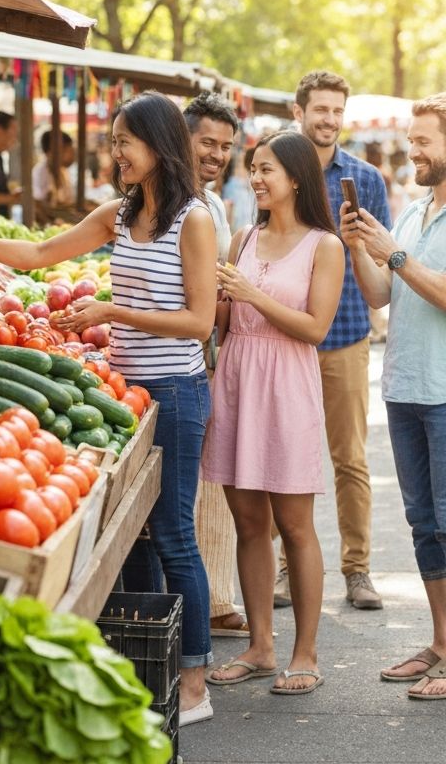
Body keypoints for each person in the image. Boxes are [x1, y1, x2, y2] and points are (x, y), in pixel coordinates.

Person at [0, 91, 217, 725]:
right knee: (140, 536)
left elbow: (200, 321)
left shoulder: (193, 220)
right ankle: (156, 669)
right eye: (113, 141)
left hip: (175, 392)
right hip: (133, 395)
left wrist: (112, 311)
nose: (113, 152)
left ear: (158, 145)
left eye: (124, 142)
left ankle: (195, 682)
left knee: (174, 535)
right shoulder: (118, 214)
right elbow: (42, 255)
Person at [203, 130, 345, 695]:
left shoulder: (324, 246)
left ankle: (304, 652)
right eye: (253, 169)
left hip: (287, 387)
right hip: (237, 381)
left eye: (266, 170)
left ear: (295, 178)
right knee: (248, 522)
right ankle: (261, 647)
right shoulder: (242, 238)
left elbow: (316, 329)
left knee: (294, 525)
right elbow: (222, 319)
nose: (256, 178)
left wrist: (252, 295)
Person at [273, 70, 391, 611]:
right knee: (283, 455)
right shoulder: (277, 171)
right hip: (288, 338)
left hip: (344, 334)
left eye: (337, 111)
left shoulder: (365, 180)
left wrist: (359, 243)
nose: (329, 120)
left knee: (349, 460)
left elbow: (384, 259)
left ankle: (358, 569)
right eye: (320, 109)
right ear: (300, 112)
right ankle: (282, 569)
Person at [342, 93, 446, 699]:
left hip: (442, 393)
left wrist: (396, 254)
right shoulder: (411, 212)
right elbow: (381, 294)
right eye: (413, 140)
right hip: (404, 389)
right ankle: (439, 642)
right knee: (424, 525)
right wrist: (361, 245)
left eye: (425, 141)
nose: (415, 151)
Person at [184, 93, 247, 640]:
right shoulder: (167, 200)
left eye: (226, 147)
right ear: (184, 138)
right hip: (185, 348)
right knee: (200, 483)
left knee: (213, 479)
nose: (217, 154)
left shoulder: (216, 204)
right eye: (208, 142)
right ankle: (207, 598)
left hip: (211, 348)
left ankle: (216, 594)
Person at [32, 130, 76, 220]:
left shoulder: (63, 171)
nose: (72, 155)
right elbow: (38, 206)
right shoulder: (40, 173)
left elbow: (66, 201)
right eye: (68, 151)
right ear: (51, 152)